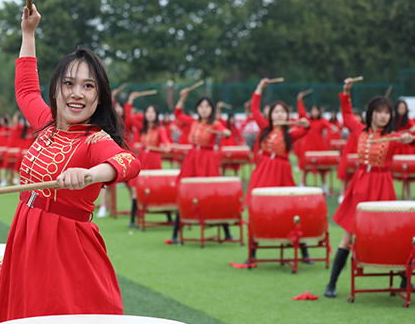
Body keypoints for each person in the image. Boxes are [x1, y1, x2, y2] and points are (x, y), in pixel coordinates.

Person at [0, 3, 140, 324]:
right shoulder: (47, 124)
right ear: (55, 89)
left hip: (65, 250)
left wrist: (91, 174)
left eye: (88, 86)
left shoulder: (94, 139)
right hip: (27, 236)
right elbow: (26, 89)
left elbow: (128, 162)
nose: (77, 93)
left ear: (99, 97)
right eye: (69, 83)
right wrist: (28, 34)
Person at [325, 80, 414, 298]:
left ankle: (404, 280)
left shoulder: (392, 136)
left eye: (387, 113)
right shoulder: (360, 130)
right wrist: (346, 92)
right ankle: (332, 283)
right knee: (348, 236)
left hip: (383, 186)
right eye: (379, 112)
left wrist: (409, 139)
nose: (383, 116)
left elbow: (409, 140)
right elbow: (347, 115)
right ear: (371, 113)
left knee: (393, 234)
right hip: (360, 186)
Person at [244, 79, 311, 260]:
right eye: (276, 112)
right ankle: (252, 253)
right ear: (271, 115)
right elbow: (255, 110)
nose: (280, 115)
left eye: (283, 112)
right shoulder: (265, 128)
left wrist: (306, 124)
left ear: (287, 115)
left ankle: (303, 251)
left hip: (282, 172)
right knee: (256, 210)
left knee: (291, 210)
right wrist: (259, 88)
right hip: (263, 171)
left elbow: (305, 129)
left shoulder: (290, 133)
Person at [169, 86, 232, 243]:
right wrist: (182, 98)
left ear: (211, 109)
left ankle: (227, 233)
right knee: (185, 193)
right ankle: (175, 234)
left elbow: (225, 131)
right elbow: (177, 114)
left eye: (207, 107)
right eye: (201, 106)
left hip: (208, 160)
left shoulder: (215, 124)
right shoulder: (193, 122)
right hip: (192, 159)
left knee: (214, 193)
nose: (204, 109)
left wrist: (226, 133)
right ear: (197, 109)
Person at [125, 92, 172, 227]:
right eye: (148, 112)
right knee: (136, 188)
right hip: (142, 160)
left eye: (152, 112)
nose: (150, 114)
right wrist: (130, 100)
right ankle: (133, 220)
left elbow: (166, 143)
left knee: (157, 188)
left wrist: (165, 146)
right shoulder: (142, 127)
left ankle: (168, 215)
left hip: (154, 160)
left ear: (156, 115)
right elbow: (129, 117)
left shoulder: (160, 128)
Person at [297, 93, 333, 191]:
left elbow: (330, 126)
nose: (314, 112)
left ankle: (324, 187)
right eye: (312, 110)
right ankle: (301, 186)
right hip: (308, 146)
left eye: (316, 110)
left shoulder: (322, 121)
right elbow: (301, 113)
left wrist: (333, 129)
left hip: (319, 146)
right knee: (305, 168)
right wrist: (299, 101)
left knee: (322, 169)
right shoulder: (308, 120)